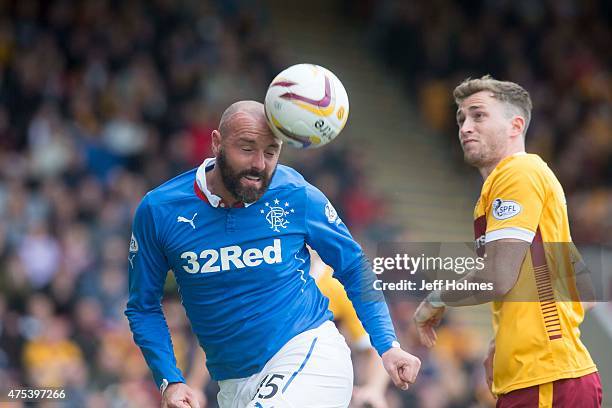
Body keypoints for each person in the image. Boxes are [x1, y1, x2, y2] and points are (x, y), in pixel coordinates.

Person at [125, 100, 421, 408]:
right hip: (233, 385)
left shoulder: (296, 194)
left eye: (271, 151)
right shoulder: (159, 210)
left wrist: (388, 345)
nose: (259, 164)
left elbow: (354, 265)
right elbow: (143, 307)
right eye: (247, 148)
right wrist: (170, 380)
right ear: (216, 143)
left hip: (311, 355)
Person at [413, 76, 602, 407]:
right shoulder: (515, 184)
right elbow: (583, 291)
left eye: (478, 115)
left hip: (547, 381)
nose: (465, 127)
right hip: (544, 378)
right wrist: (506, 342)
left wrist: (436, 299)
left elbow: (499, 278)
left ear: (516, 125)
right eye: (461, 119)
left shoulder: (519, 173)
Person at [310, 252, 391, 408]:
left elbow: (378, 349)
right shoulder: (270, 280)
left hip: (322, 380)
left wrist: (373, 389)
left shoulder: (337, 286)